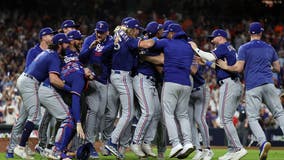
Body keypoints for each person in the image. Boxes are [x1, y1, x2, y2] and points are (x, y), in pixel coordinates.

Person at [217, 22, 284, 160]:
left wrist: (225, 66)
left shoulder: (244, 47)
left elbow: (238, 68)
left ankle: (263, 142)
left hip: (253, 85)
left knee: (253, 118)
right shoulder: (269, 47)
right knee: (279, 113)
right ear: (261, 32)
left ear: (250, 33)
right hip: (269, 84)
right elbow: (277, 67)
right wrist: (266, 68)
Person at [189, 29, 247, 160]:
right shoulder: (229, 48)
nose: (211, 40)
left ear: (220, 37)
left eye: (213, 38)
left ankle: (238, 148)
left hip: (228, 84)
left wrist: (196, 48)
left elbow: (210, 56)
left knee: (224, 119)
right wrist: (207, 63)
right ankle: (232, 150)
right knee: (228, 119)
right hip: (235, 84)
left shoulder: (222, 46)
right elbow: (220, 66)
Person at [6, 27, 55, 159]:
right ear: (43, 37)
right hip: (32, 88)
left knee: (51, 117)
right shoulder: (34, 51)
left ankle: (44, 146)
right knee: (23, 119)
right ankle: (11, 149)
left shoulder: (52, 52)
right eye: (50, 35)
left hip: (45, 90)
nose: (52, 37)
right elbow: (29, 71)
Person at [79, 20, 114, 159]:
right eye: (97, 31)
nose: (98, 34)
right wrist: (90, 48)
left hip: (104, 81)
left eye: (101, 32)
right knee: (93, 111)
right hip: (91, 80)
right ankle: (89, 144)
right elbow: (81, 58)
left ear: (107, 32)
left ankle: (99, 143)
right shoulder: (89, 40)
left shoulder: (111, 42)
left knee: (101, 114)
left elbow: (110, 52)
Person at [189, 64, 214, 160]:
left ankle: (208, 149)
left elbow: (194, 70)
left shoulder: (194, 57)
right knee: (190, 122)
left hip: (200, 90)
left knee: (199, 119)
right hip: (188, 92)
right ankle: (198, 150)